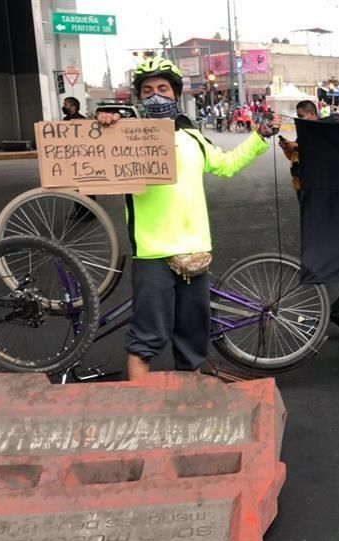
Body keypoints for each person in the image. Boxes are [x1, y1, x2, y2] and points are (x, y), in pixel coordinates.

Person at [96, 57, 279, 381]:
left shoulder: (193, 137)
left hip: (195, 250)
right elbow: (92, 154)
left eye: (163, 89)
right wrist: (104, 123)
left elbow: (225, 165)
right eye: (148, 90)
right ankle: (140, 413)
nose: (156, 96)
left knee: (193, 336)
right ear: (139, 97)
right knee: (146, 337)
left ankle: (190, 403)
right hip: (152, 252)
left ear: (175, 94)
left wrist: (259, 137)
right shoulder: (125, 137)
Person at [278, 99, 319, 200]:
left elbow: (318, 151)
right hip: (300, 183)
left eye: (301, 116)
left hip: (316, 185)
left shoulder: (323, 131)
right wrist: (287, 148)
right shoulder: (304, 132)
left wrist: (296, 147)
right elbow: (294, 156)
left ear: (312, 114)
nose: (299, 120)